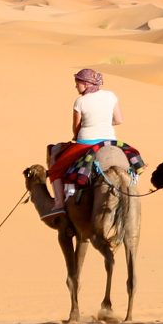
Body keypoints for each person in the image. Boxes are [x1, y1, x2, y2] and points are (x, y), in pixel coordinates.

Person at [45, 69, 123, 218]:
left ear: (86, 84)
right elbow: (119, 120)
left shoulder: (80, 101)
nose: (76, 87)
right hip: (110, 141)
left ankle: (60, 203)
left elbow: (76, 127)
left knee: (55, 169)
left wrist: (77, 135)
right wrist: (104, 122)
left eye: (77, 83)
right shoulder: (111, 96)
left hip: (86, 143)